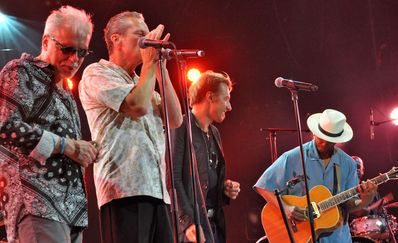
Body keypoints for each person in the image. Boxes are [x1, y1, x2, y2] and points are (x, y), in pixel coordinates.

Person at [78, 11, 182, 243]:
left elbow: (175, 119)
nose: (148, 40)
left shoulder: (142, 80)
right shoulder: (97, 73)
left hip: (157, 192)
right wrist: (149, 64)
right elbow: (137, 106)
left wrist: (160, 67)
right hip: (124, 192)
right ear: (116, 39)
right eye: (140, 35)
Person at [0, 6, 97, 243]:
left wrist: (88, 150)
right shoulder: (21, 71)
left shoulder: (66, 94)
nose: (75, 59)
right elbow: (5, 125)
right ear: (46, 41)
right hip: (38, 204)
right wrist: (68, 146)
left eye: (82, 52)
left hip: (71, 213)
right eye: (67, 49)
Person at [254, 109, 377, 243]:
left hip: (338, 238)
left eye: (329, 140)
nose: (324, 143)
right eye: (321, 137)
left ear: (337, 140)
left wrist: (366, 199)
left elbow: (349, 205)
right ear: (314, 132)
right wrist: (286, 209)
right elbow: (263, 187)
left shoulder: (347, 163)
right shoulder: (292, 157)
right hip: (301, 237)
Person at [172, 71, 240, 243]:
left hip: (212, 225)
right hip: (192, 229)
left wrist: (224, 188)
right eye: (226, 99)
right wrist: (187, 222)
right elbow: (172, 179)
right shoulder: (180, 127)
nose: (229, 106)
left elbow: (205, 176)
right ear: (210, 97)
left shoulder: (214, 132)